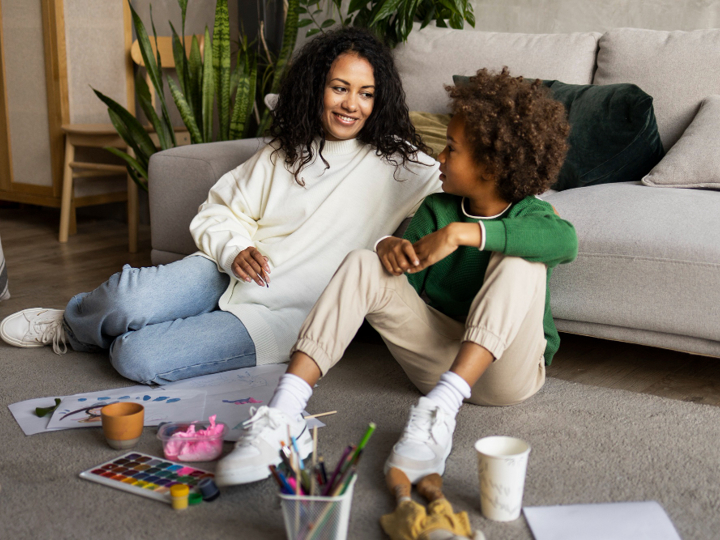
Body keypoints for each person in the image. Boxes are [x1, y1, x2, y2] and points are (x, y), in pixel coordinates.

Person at [0, 27, 440, 385]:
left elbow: (460, 187)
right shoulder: (284, 152)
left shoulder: (402, 165)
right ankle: (72, 325)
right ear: (317, 87)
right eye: (340, 88)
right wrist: (234, 250)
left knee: (138, 358)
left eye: (366, 93)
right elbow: (219, 211)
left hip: (284, 315)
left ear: (379, 99)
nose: (351, 104)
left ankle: (117, 334)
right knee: (120, 300)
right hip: (225, 271)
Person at [215, 67, 578, 487]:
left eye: (452, 149)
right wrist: (388, 248)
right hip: (437, 362)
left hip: (507, 376)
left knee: (522, 258)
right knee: (362, 260)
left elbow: (564, 241)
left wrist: (463, 234)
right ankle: (284, 414)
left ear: (490, 165)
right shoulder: (435, 210)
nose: (439, 157)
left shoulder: (529, 214)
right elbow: (404, 285)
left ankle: (441, 412)